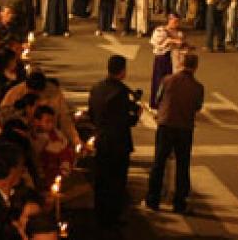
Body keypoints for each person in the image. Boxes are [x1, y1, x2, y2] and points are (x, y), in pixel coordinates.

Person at [145, 53, 204, 214]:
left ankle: (153, 199)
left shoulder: (167, 80)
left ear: (181, 64)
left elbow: (157, 99)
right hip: (185, 128)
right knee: (182, 165)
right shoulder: (198, 87)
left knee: (159, 163)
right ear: (195, 67)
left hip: (166, 125)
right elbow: (197, 107)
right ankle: (179, 202)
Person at [87, 55, 141, 228]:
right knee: (117, 181)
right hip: (117, 143)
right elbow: (124, 120)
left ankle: (99, 213)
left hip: (101, 139)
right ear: (123, 71)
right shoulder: (120, 93)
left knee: (101, 179)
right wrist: (136, 116)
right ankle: (112, 217)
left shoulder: (96, 88)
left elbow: (91, 114)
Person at [149, 13, 186, 108]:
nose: (176, 23)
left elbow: (181, 47)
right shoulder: (160, 31)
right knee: (160, 82)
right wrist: (170, 41)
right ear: (169, 20)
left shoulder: (179, 33)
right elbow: (156, 44)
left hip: (175, 60)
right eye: (174, 21)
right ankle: (158, 105)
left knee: (173, 84)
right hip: (162, 59)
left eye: (178, 21)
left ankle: (171, 105)